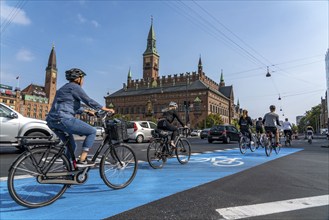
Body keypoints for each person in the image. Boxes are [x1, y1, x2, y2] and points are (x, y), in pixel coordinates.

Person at [46, 68, 114, 167]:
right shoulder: (75, 87)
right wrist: (105, 108)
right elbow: (88, 100)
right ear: (78, 79)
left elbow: (69, 106)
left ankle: (67, 169)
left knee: (71, 146)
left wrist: (87, 111)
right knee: (92, 131)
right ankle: (82, 160)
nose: (83, 81)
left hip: (52, 121)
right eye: (83, 78)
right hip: (64, 119)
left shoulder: (62, 89)